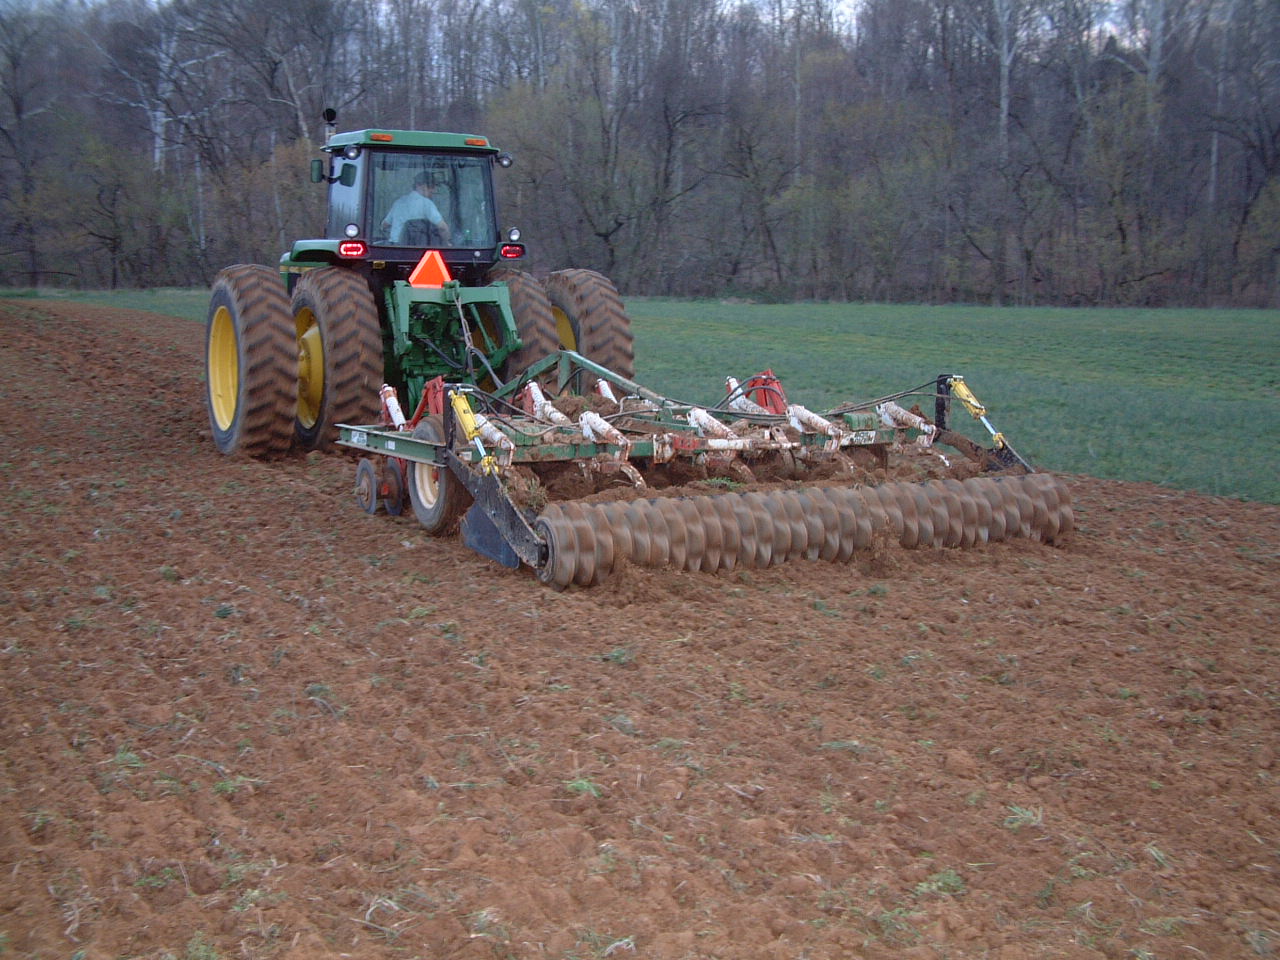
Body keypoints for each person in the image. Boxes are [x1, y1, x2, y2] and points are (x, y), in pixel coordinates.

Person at [381, 172, 452, 245]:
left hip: (394, 248)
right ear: (421, 186)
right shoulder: (426, 204)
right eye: (431, 187)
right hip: (415, 248)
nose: (434, 191)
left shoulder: (399, 202)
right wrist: (446, 243)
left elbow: (384, 225)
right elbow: (442, 228)